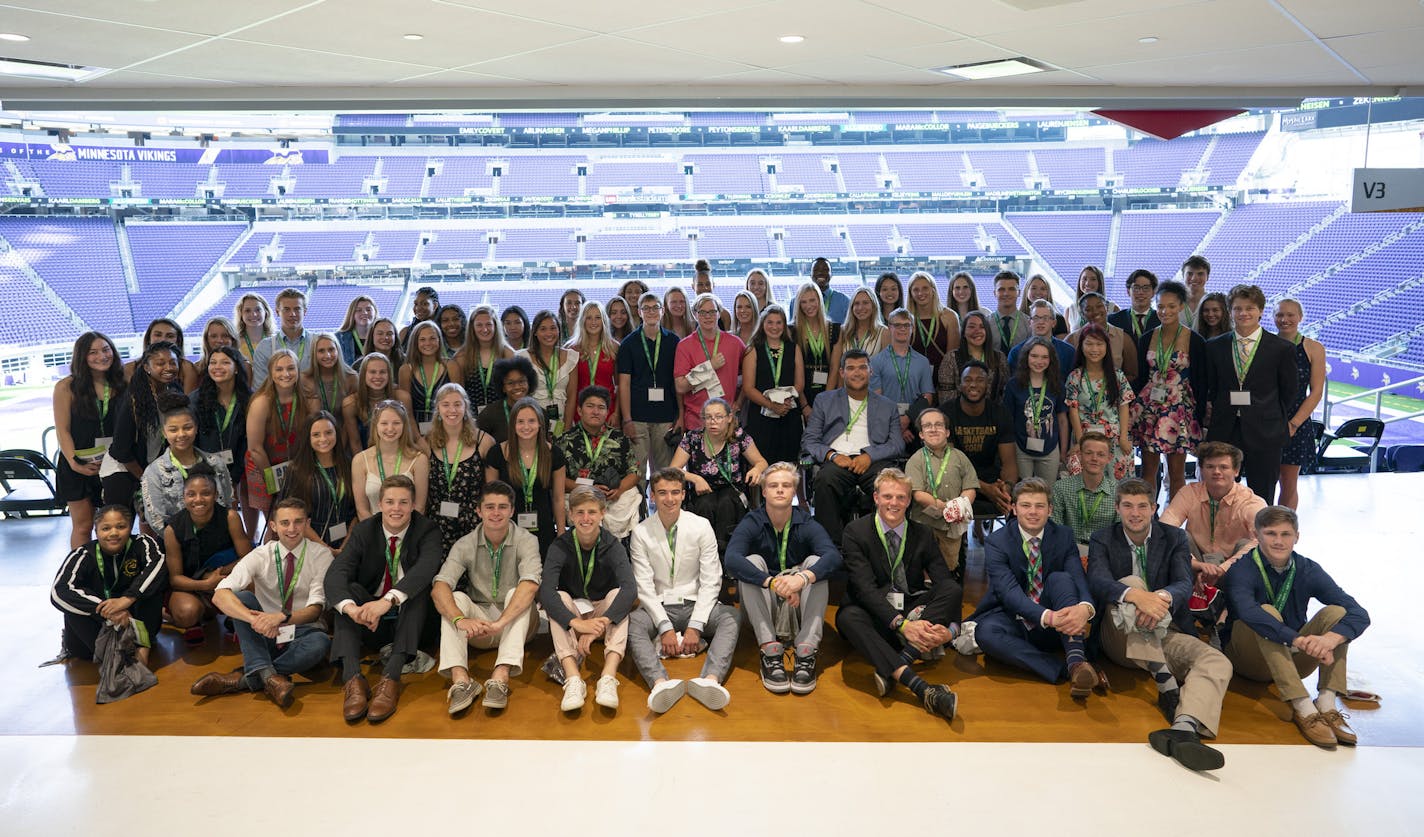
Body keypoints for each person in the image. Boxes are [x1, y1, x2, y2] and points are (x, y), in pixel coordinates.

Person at [1086, 479, 1230, 772]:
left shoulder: (1175, 537)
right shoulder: (1102, 538)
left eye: (1142, 506)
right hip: (1119, 637)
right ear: (1118, 508)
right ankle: (1167, 686)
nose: (1135, 513)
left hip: (1167, 629)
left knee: (1216, 661)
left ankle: (1184, 728)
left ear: (1154, 508)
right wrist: (1138, 596)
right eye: (1127, 506)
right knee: (1131, 583)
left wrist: (1159, 600)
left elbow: (1182, 583)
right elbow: (1099, 581)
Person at [1222, 505, 1370, 749]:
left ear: (1297, 537)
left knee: (1337, 614)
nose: (1278, 541)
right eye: (1270, 534)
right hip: (1249, 660)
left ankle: (1326, 702)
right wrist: (1297, 639)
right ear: (1256, 535)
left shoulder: (1307, 568)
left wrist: (1330, 639)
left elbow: (1358, 612)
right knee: (1265, 613)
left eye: (1285, 534)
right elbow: (1249, 613)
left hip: (1293, 660)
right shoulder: (1241, 569)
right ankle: (1302, 706)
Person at [836, 468, 962, 719]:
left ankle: (898, 662)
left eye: (901, 497)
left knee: (952, 588)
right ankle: (922, 689)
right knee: (848, 617)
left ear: (908, 500)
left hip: (911, 610)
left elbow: (944, 583)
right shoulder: (855, 531)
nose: (894, 503)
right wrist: (902, 625)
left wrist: (950, 632)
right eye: (887, 496)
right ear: (876, 498)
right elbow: (865, 590)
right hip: (876, 615)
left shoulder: (923, 533)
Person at [968, 478, 1104, 695]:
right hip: (1017, 619)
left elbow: (1078, 577)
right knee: (985, 633)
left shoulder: (1063, 535)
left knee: (1061, 579)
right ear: (1014, 508)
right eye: (1025, 505)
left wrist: (1085, 608)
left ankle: (1077, 659)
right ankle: (1070, 669)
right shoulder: (997, 541)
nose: (1033, 512)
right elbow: (1008, 593)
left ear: (1050, 509)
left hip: (1058, 622)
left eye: (1040, 506)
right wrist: (1049, 617)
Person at [194, 498, 334, 708]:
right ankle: (270, 677)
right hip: (263, 632)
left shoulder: (321, 555)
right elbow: (219, 594)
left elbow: (315, 610)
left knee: (320, 643)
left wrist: (281, 617)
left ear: (307, 524)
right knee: (242, 599)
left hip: (300, 630)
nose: (292, 528)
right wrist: (255, 619)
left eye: (298, 522)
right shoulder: (260, 554)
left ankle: (246, 678)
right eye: (285, 523)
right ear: (273, 526)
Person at [325, 474, 443, 723]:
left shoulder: (428, 530)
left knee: (418, 588)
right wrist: (352, 610)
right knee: (350, 591)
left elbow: (426, 569)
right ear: (380, 504)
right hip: (371, 623)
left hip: (414, 625)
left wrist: (387, 601)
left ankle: (391, 678)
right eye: (390, 502)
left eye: (403, 502)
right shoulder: (364, 530)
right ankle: (353, 678)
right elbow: (336, 573)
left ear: (413, 505)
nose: (396, 509)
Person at [628, 469, 741, 713]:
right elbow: (644, 585)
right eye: (662, 493)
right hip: (658, 605)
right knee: (632, 623)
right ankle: (659, 683)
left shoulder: (701, 526)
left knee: (731, 617)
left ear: (683, 494)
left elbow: (712, 579)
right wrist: (665, 627)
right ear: (652, 496)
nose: (669, 499)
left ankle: (709, 680)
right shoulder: (640, 532)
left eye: (675, 492)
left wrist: (696, 625)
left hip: (694, 603)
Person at [724, 462, 841, 694]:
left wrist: (803, 579)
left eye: (786, 485)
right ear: (764, 491)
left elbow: (834, 557)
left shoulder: (806, 521)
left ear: (794, 491)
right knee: (752, 561)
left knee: (815, 564)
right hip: (763, 607)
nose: (780, 490)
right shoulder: (752, 521)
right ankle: (770, 650)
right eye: (773, 485)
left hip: (797, 606)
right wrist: (771, 582)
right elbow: (731, 559)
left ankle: (806, 652)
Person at [431, 481, 542, 715]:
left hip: (514, 623)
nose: (496, 513)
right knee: (456, 598)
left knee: (519, 591)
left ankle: (500, 677)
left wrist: (501, 621)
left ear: (512, 511)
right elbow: (439, 586)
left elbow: (531, 585)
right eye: (489, 507)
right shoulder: (464, 544)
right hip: (478, 627)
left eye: (503, 507)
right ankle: (461, 682)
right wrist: (460, 620)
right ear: (478, 510)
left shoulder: (527, 540)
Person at [539, 486, 637, 712]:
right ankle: (573, 679)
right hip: (575, 616)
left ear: (602, 513)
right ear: (570, 514)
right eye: (580, 512)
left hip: (601, 616)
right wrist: (576, 623)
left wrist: (598, 625)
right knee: (559, 597)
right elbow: (546, 591)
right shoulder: (560, 545)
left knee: (616, 595)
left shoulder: (612, 544)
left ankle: (608, 677)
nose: (586, 518)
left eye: (592, 512)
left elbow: (630, 589)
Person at [1202, 284, 1298, 501]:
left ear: (1261, 311)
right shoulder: (1214, 347)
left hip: (1266, 431)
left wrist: (1266, 411)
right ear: (1230, 311)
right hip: (1226, 429)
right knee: (1220, 493)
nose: (1243, 313)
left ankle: (1258, 536)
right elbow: (1213, 387)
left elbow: (1289, 392)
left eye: (1250, 308)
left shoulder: (1281, 348)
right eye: (1237, 308)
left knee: (1262, 494)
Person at [803, 348, 904, 546]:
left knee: (889, 485)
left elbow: (897, 444)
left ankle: (882, 546)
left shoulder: (887, 405)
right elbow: (809, 440)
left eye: (862, 367)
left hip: (873, 461)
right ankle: (830, 547)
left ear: (870, 371)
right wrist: (832, 455)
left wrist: (869, 455)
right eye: (850, 368)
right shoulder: (824, 400)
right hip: (837, 461)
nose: (857, 373)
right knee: (825, 480)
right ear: (842, 373)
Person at [51, 503, 166, 671]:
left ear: (130, 527)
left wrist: (127, 599)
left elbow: (159, 565)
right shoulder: (83, 554)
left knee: (151, 587)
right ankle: (114, 658)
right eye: (106, 528)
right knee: (71, 605)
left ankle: (142, 649)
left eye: (121, 526)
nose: (114, 533)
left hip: (134, 624)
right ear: (96, 531)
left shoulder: (142, 543)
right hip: (94, 632)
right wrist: (108, 609)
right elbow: (58, 591)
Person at [162, 465, 252, 645]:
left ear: (216, 494)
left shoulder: (230, 517)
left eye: (205, 493)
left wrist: (220, 574)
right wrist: (205, 583)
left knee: (255, 582)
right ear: (183, 496)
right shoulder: (172, 529)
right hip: (191, 586)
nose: (198, 499)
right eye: (191, 494)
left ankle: (232, 616)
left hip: (225, 580)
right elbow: (175, 579)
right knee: (187, 613)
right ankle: (177, 614)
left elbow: (248, 558)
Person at [1133, 281, 1207, 500]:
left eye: (1171, 306)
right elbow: (1139, 375)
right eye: (1161, 306)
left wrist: (1201, 416)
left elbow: (1201, 381)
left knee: (1177, 473)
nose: (1165, 311)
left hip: (1180, 410)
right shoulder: (1147, 337)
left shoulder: (1195, 340)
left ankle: (1173, 525)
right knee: (1148, 470)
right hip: (1150, 409)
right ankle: (1148, 521)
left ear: (1182, 306)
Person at [53, 332, 126, 548]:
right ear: (81, 356)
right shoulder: (66, 387)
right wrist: (75, 463)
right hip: (80, 466)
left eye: (105, 349)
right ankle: (80, 573)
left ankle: (116, 574)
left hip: (114, 465)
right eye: (92, 352)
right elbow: (62, 430)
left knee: (115, 525)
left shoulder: (123, 382)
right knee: (83, 526)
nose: (101, 356)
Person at [1160, 441, 1266, 590]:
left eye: (1223, 467)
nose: (1217, 472)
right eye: (1210, 467)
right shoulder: (1189, 492)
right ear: (1201, 470)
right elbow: (1164, 529)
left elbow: (1263, 539)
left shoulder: (1250, 501)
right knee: (1180, 536)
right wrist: (1196, 564)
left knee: (1247, 545)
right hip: (1194, 562)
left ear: (1236, 471)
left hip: (1232, 567)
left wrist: (1222, 569)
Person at [671, 397, 768, 553]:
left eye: (718, 416)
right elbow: (673, 469)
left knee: (726, 503)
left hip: (732, 488)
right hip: (703, 489)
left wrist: (756, 469)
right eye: (708, 417)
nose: (713, 421)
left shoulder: (738, 436)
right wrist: (696, 479)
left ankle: (726, 554)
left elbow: (762, 462)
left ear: (729, 418)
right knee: (705, 505)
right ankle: (704, 552)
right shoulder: (693, 438)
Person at [104, 341, 182, 510]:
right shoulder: (134, 399)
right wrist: (146, 478)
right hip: (123, 469)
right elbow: (121, 451)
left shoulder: (174, 388)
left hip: (151, 467)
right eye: (160, 363)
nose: (168, 367)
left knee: (155, 520)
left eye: (172, 362)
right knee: (120, 524)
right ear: (147, 367)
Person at [141, 395, 235, 536]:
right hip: (179, 543)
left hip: (217, 538)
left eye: (187, 427)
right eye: (173, 430)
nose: (181, 434)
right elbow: (157, 520)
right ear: (164, 432)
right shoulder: (154, 472)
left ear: (196, 428)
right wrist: (186, 538)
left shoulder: (216, 463)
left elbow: (227, 503)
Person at [557, 386, 642, 539]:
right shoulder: (565, 440)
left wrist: (619, 490)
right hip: (579, 494)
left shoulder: (619, 438)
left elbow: (635, 472)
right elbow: (557, 480)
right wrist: (588, 488)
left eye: (601, 407)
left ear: (607, 412)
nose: (595, 411)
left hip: (613, 496)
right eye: (590, 406)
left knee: (632, 497)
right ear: (579, 410)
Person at [485, 397, 567, 555]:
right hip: (507, 528)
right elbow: (490, 499)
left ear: (540, 423)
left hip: (543, 527)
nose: (526, 427)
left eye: (531, 421)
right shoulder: (496, 453)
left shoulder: (554, 454)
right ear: (513, 424)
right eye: (520, 421)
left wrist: (561, 533)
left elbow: (558, 498)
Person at [618, 292, 682, 488]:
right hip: (637, 417)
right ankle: (639, 512)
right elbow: (624, 384)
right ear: (639, 312)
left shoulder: (673, 341)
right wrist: (627, 418)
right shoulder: (628, 343)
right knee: (636, 470)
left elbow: (677, 381)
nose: (651, 312)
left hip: (665, 415)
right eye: (646, 308)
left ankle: (662, 511)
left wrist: (680, 414)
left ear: (662, 312)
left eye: (655, 307)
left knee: (664, 470)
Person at [905, 408, 976, 577]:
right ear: (921, 434)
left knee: (949, 562)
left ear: (947, 432)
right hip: (924, 524)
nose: (934, 429)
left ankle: (947, 584)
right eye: (927, 426)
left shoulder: (960, 457)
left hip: (953, 524)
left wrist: (960, 506)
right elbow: (918, 494)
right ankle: (926, 587)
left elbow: (970, 486)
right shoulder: (915, 460)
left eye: (938, 425)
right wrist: (945, 507)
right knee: (923, 563)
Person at [244, 349, 315, 518]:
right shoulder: (261, 402)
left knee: (299, 515)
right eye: (279, 369)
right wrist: (273, 484)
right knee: (275, 520)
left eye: (291, 368)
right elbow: (255, 449)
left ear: (298, 370)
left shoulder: (308, 399)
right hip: (264, 465)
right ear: (271, 373)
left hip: (295, 466)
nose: (286, 374)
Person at [428, 383, 495, 555]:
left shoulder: (483, 441)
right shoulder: (427, 442)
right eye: (446, 405)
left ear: (466, 407)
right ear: (438, 408)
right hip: (437, 524)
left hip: (473, 523)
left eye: (458, 404)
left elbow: (492, 489)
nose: (452, 410)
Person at [946, 361, 1019, 519]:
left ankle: (1006, 542)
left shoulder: (1000, 413)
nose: (973, 384)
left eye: (980, 380)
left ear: (988, 384)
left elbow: (1010, 462)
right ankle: (958, 542)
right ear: (959, 384)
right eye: (968, 380)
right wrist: (985, 489)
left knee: (1017, 498)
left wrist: (1005, 488)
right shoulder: (946, 413)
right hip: (957, 479)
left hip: (991, 478)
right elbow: (950, 466)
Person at [189, 346, 250, 529]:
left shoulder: (248, 399)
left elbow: (247, 441)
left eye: (225, 362)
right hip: (203, 469)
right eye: (213, 362)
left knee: (230, 513)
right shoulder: (196, 399)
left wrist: (236, 475)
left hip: (236, 468)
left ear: (237, 367)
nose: (217, 367)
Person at [1064, 323, 1135, 481]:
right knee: (1085, 484)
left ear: (1106, 347)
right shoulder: (1075, 376)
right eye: (1089, 343)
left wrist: (1123, 437)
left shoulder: (1117, 375)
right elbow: (1073, 410)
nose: (1094, 349)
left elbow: (1124, 406)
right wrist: (1080, 440)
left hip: (1114, 437)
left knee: (1119, 487)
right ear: (1081, 346)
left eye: (1099, 344)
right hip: (1085, 436)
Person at [1273, 299, 1326, 509]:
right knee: (1261, 482)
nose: (1284, 320)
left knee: (1288, 484)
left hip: (1296, 421)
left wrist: (1293, 424)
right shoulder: (1266, 344)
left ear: (1300, 317)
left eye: (1290, 315)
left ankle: (1284, 530)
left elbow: (1316, 392)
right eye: (1279, 315)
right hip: (1265, 419)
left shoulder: (1313, 348)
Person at [741, 303, 806, 467]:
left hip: (788, 413)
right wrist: (771, 405)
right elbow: (748, 388)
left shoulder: (794, 348)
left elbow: (799, 383)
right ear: (762, 325)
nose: (774, 327)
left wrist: (784, 403)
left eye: (779, 322)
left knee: (789, 465)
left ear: (784, 325)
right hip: (762, 416)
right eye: (770, 322)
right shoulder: (753, 350)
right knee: (762, 465)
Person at [281, 411, 357, 550]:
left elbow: (356, 510)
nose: (323, 439)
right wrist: (324, 548)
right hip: (309, 542)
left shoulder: (348, 465)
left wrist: (345, 547)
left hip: (347, 542)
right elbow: (292, 513)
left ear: (336, 433)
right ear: (307, 438)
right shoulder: (297, 470)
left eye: (329, 432)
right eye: (316, 434)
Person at [675, 291, 745, 431]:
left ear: (719, 313)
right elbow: (680, 386)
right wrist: (709, 367)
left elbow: (751, 375)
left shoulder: (735, 343)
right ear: (695, 315)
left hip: (726, 421)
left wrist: (739, 401)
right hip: (696, 421)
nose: (708, 317)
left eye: (712, 312)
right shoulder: (684, 346)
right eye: (702, 312)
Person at [1003, 337, 1069, 485]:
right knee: (1022, 491)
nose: (1039, 361)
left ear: (1051, 360)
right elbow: (1008, 420)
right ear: (1026, 357)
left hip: (1050, 447)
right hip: (1020, 448)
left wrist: (1063, 451)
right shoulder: (1014, 385)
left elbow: (1063, 419)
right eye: (1034, 356)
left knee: (1047, 492)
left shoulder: (1056, 385)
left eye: (1045, 357)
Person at [351, 399, 429, 520]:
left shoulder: (419, 460)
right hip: (372, 532)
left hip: (409, 531)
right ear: (375, 425)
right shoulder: (360, 460)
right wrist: (380, 535)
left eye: (396, 423)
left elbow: (419, 507)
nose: (390, 428)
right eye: (384, 423)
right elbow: (362, 509)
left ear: (404, 425)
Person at [870, 308, 933, 448]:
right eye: (897, 325)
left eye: (906, 325)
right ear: (889, 328)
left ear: (912, 328)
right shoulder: (876, 361)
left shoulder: (922, 362)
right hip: (886, 425)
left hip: (915, 425)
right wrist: (897, 425)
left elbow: (927, 397)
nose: (902, 329)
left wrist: (907, 419)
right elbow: (876, 399)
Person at [1049, 431, 1119, 556]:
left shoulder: (1118, 492)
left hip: (1104, 553)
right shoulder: (1060, 488)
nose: (1094, 459)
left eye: (1101, 454)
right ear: (1079, 455)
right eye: (1088, 453)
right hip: (1068, 551)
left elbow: (1119, 533)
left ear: (1109, 458)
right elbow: (1055, 528)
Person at [521, 309, 579, 436]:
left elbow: (572, 396)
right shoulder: (523, 357)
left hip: (563, 422)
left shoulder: (571, 357)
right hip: (532, 423)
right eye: (543, 329)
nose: (549, 333)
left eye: (553, 328)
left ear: (558, 330)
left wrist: (567, 428)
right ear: (535, 332)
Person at [341, 352, 414, 454]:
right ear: (363, 374)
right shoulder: (350, 404)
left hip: (398, 457)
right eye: (373, 372)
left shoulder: (402, 398)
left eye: (382, 372)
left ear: (389, 374)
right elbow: (355, 443)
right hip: (367, 458)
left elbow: (411, 436)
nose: (378, 376)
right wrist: (364, 465)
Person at [450, 304, 514, 417]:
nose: (484, 329)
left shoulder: (507, 354)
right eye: (479, 325)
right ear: (472, 328)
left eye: (489, 324)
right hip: (472, 418)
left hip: (503, 416)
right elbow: (458, 394)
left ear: (495, 326)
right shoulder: (461, 357)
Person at [566, 300, 621, 428]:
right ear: (582, 321)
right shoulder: (571, 349)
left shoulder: (614, 348)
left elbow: (619, 385)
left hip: (606, 411)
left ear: (604, 321)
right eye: (589, 318)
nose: (593, 322)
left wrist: (616, 413)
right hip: (579, 411)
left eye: (597, 318)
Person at [906, 271, 961, 395]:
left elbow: (951, 357)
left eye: (925, 288)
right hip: (914, 382)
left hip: (943, 383)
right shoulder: (906, 319)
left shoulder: (949, 317)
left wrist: (943, 383)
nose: (921, 293)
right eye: (916, 290)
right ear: (910, 293)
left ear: (933, 290)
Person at [1066, 292, 1138, 381]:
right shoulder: (1072, 340)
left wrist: (1110, 385)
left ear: (1106, 308)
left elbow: (1132, 374)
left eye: (1099, 306)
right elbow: (1066, 374)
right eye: (1088, 309)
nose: (1095, 311)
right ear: (1082, 315)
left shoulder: (1123, 338)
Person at [790, 280, 840, 406]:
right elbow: (792, 371)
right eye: (803, 302)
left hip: (828, 393)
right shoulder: (792, 331)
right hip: (801, 395)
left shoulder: (835, 330)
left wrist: (826, 400)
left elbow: (835, 368)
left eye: (812, 300)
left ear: (819, 300)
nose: (808, 306)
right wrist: (804, 405)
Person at [251, 288, 314, 387]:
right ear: (277, 311)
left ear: (305, 312)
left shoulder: (317, 343)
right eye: (286, 309)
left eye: (297, 309)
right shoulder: (264, 347)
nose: (292, 314)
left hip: (311, 400)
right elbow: (260, 387)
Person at [400, 320, 453, 433]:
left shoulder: (451, 367)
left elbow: (459, 404)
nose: (428, 343)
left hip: (447, 429)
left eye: (432, 338)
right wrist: (419, 440)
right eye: (422, 339)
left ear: (439, 340)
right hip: (415, 432)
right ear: (415, 343)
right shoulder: (406, 370)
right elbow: (406, 412)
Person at [1006, 300, 1075, 384]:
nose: (1041, 322)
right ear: (1029, 322)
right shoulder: (1016, 352)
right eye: (1036, 318)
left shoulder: (1068, 352)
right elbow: (1012, 385)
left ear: (1054, 323)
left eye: (1045, 318)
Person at [124, 318, 200, 392]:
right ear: (149, 339)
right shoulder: (130, 368)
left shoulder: (187, 368)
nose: (163, 339)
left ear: (178, 341)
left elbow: (191, 402)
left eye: (170, 336)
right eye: (158, 335)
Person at [476, 356, 536, 442]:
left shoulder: (538, 412)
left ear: (529, 383)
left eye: (521, 381)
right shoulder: (489, 415)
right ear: (502, 387)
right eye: (510, 383)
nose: (517, 387)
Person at [953, 310, 1009, 402]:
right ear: (963, 332)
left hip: (992, 414)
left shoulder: (999, 358)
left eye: (982, 327)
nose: (977, 331)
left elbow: (1004, 392)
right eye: (972, 327)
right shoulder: (951, 359)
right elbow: (946, 398)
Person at [300, 332, 358, 417]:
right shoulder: (304, 380)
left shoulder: (351, 378)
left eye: (331, 349)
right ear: (314, 354)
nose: (327, 355)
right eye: (321, 351)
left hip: (344, 428)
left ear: (338, 350)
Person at [835, 286, 889, 364]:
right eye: (856, 303)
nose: (860, 307)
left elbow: (886, 367)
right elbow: (837, 365)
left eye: (865, 303)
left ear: (873, 305)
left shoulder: (884, 332)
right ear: (851, 307)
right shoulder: (842, 331)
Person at [1108, 269, 1162, 346]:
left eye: (1146, 288)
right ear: (1128, 291)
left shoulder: (1161, 320)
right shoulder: (1113, 321)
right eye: (1136, 288)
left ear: (1153, 292)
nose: (1141, 292)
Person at [195, 317, 250, 382]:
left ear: (233, 339)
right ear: (207, 340)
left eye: (225, 336)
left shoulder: (245, 366)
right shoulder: (197, 368)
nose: (220, 340)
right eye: (214, 336)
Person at [1066, 266, 1118, 332]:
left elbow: (1118, 336)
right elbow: (1067, 339)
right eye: (1084, 279)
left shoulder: (1112, 308)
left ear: (1100, 283)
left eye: (1093, 279)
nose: (1088, 283)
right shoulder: (1070, 310)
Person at [988, 271, 1030, 351]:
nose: (1006, 293)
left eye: (1011, 289)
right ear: (994, 293)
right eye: (1001, 289)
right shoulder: (986, 323)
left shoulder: (1028, 324)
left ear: (1019, 293)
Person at [334, 294, 378, 367]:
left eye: (368, 309)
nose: (364, 313)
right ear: (352, 314)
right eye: (359, 310)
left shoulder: (381, 337)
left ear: (375, 312)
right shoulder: (339, 338)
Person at [234, 292, 274, 367]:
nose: (254, 314)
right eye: (247, 311)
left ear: (266, 312)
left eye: (258, 309)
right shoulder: (235, 343)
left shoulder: (276, 340)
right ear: (241, 314)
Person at [396, 285, 439, 349]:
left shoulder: (444, 331)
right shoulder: (405, 332)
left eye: (424, 304)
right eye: (416, 304)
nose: (418, 308)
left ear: (435, 305)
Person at [810, 256, 850, 323]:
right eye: (816, 270)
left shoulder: (845, 301)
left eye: (825, 270)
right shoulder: (797, 301)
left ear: (831, 275)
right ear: (810, 275)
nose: (820, 273)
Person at [1180, 255, 1211, 330]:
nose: (1194, 278)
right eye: (1190, 274)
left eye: (1200, 274)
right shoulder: (1173, 303)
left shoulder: (1213, 303)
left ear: (1207, 277)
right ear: (1183, 276)